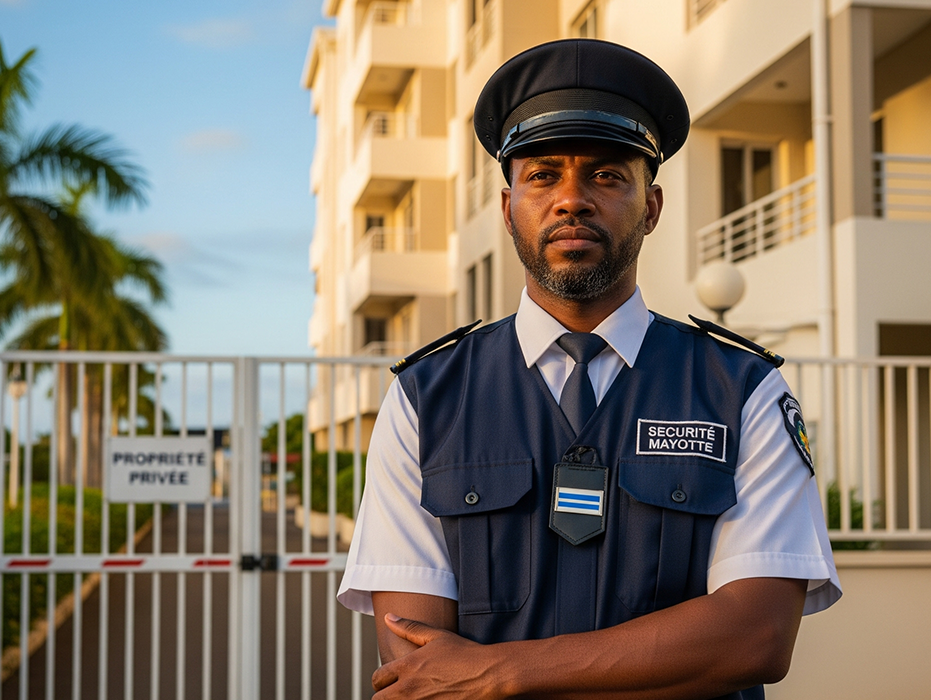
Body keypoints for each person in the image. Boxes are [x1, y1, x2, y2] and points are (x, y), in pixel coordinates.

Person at [337, 38, 841, 699]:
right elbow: (422, 668)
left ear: (651, 207)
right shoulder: (426, 398)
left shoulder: (741, 389)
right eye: (543, 174)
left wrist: (504, 672)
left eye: (607, 176)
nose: (571, 199)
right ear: (507, 207)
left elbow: (755, 637)